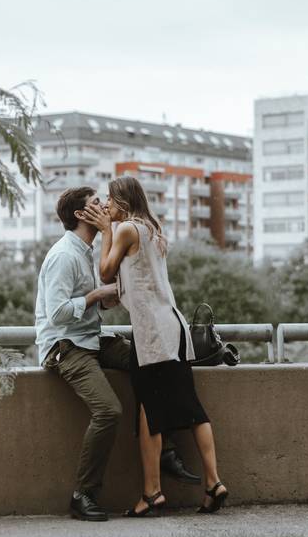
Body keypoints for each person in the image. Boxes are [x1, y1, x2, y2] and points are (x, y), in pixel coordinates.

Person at [34, 187, 199, 522]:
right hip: (65, 346)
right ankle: (83, 494)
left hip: (91, 338)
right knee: (109, 411)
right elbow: (57, 315)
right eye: (96, 202)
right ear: (81, 215)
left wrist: (112, 296)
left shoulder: (90, 249)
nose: (105, 205)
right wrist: (97, 295)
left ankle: (164, 449)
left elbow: (103, 299)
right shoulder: (64, 255)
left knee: (147, 363)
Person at [82, 176, 229, 517]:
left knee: (150, 411)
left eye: (109, 199)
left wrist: (105, 231)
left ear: (122, 200)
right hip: (173, 327)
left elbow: (105, 273)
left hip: (152, 334)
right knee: (189, 409)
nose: (105, 205)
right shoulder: (152, 226)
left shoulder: (126, 230)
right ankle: (213, 484)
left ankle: (151, 494)